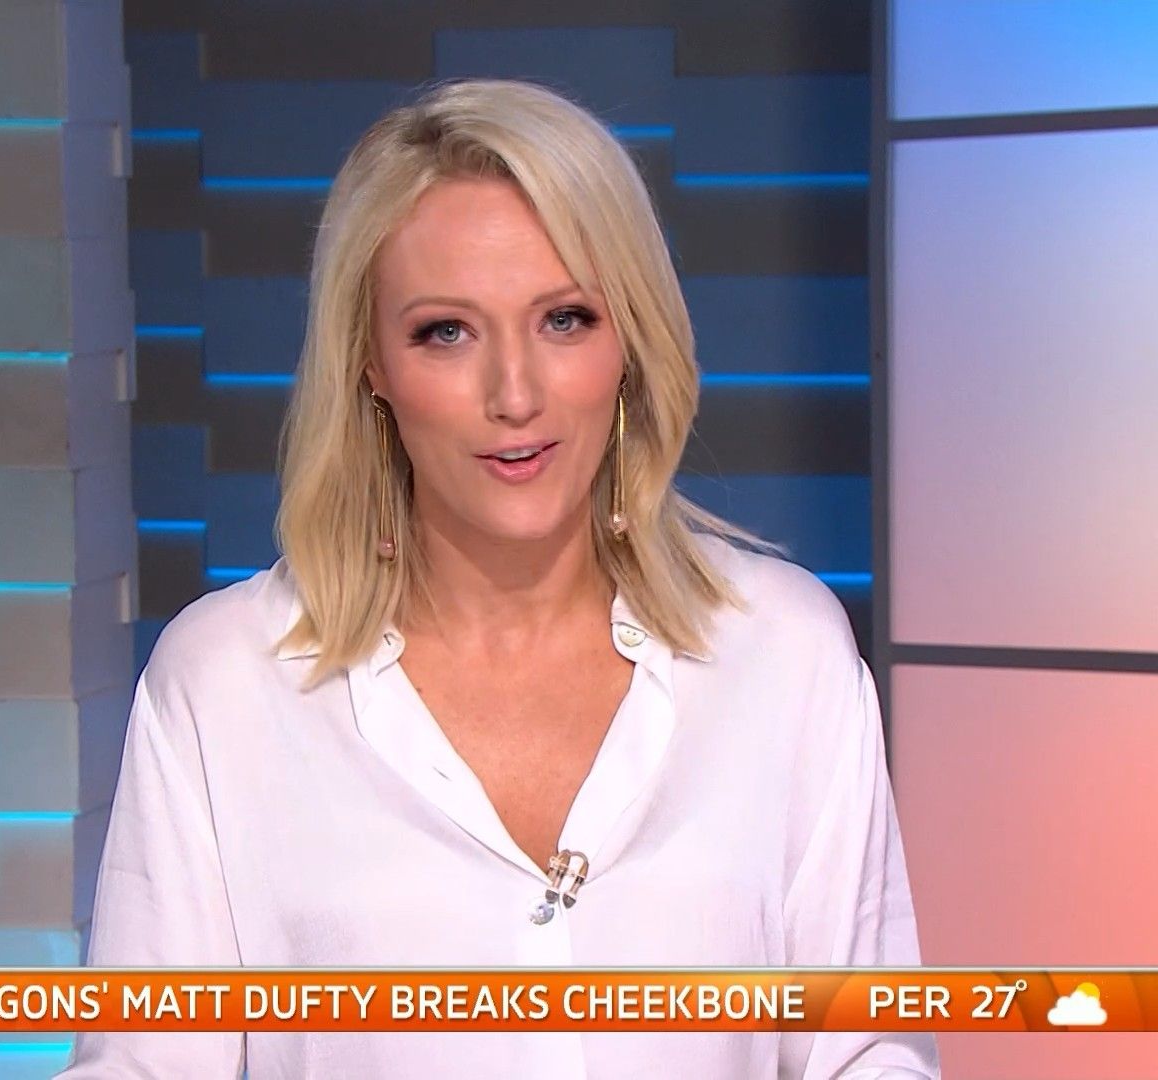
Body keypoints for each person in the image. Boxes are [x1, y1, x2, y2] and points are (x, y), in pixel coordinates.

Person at [57, 78, 938, 1078]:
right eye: (447, 331)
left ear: (630, 339)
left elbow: (868, 1050)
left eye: (565, 319)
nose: (515, 395)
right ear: (370, 364)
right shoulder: (226, 680)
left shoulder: (782, 650)